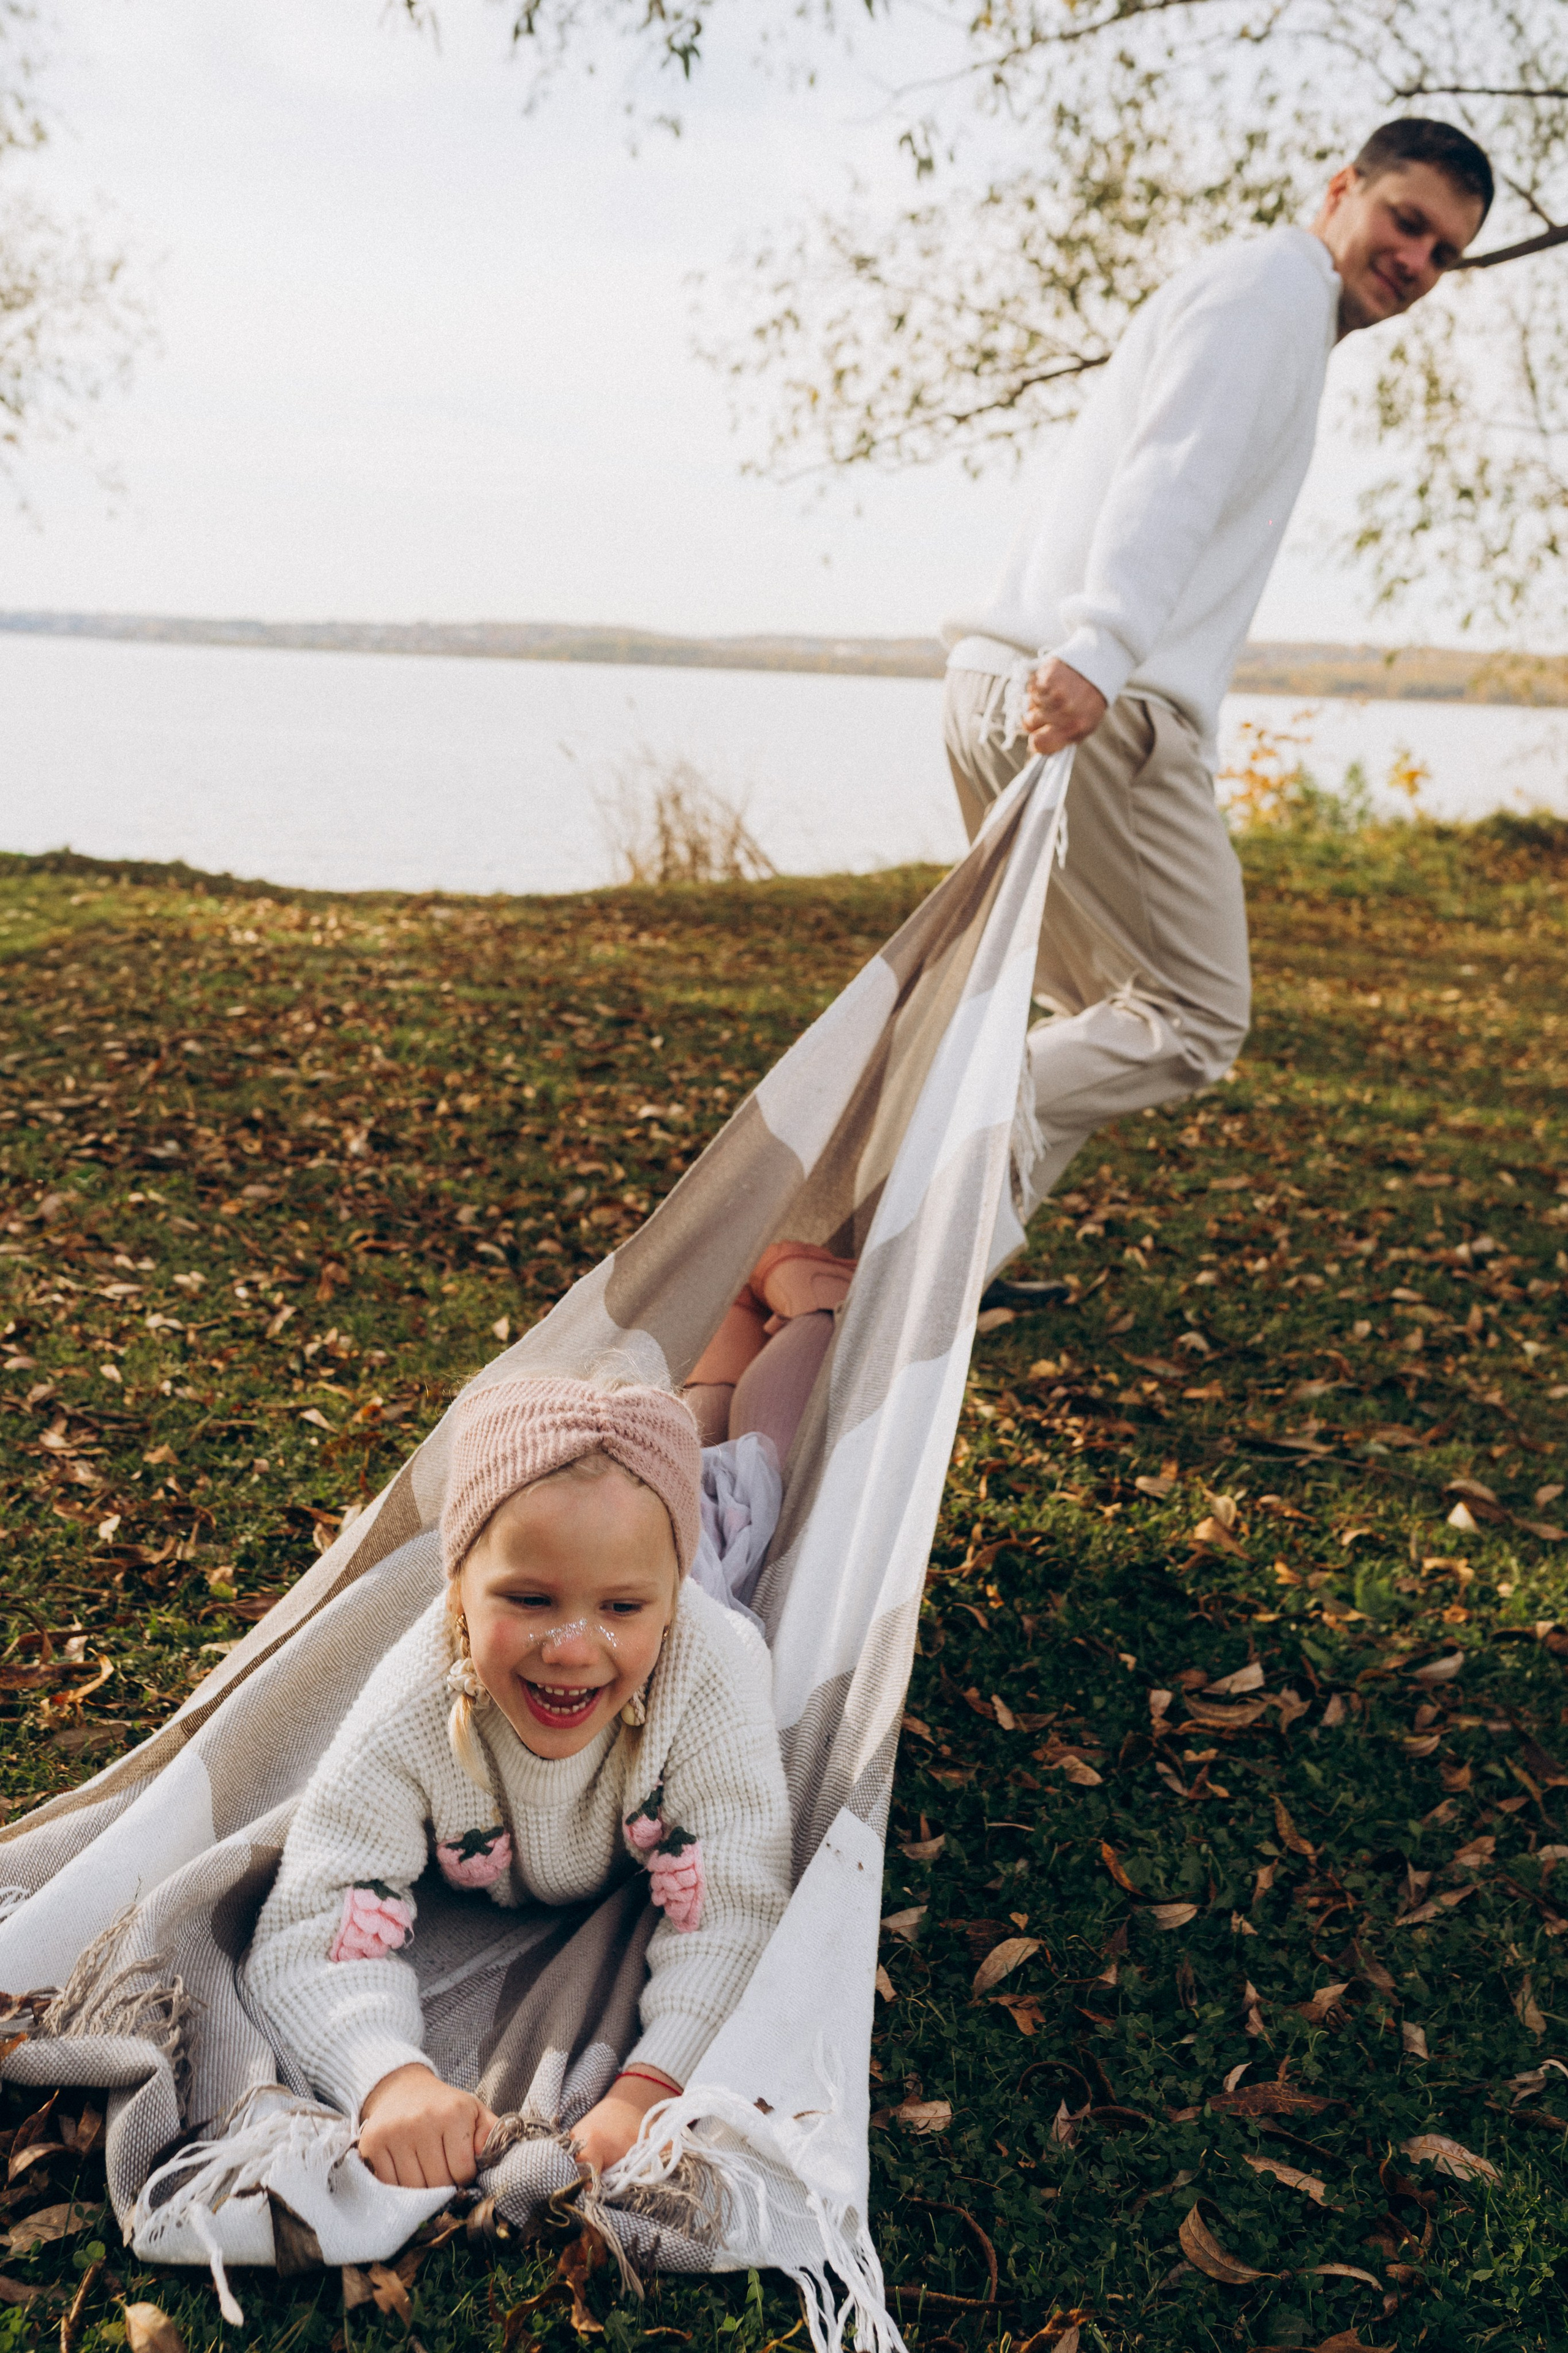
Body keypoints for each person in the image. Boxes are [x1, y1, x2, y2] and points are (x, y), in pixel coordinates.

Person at [940, 118, 1493, 1285]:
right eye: (1407, 222)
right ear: (1342, 187)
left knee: (1101, 1009)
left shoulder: (1262, 301)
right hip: (1099, 695)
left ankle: (932, 1266)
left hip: (1008, 674)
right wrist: (1105, 644)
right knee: (1189, 1017)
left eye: (1444, 254)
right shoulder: (1271, 296)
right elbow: (1171, 478)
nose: (1417, 264)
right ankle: (929, 1130)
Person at [244, 1375, 791, 2190]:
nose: (573, 1647)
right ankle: (719, 1349)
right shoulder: (417, 1699)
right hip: (647, 1532)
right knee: (676, 1457)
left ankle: (786, 1306)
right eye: (529, 1598)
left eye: (621, 1607)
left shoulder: (706, 1673)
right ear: (457, 1590)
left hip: (708, 1550)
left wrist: (650, 2087)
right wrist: (390, 2076)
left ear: (670, 1606)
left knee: (749, 1471)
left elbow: (738, 1901)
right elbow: (310, 1919)